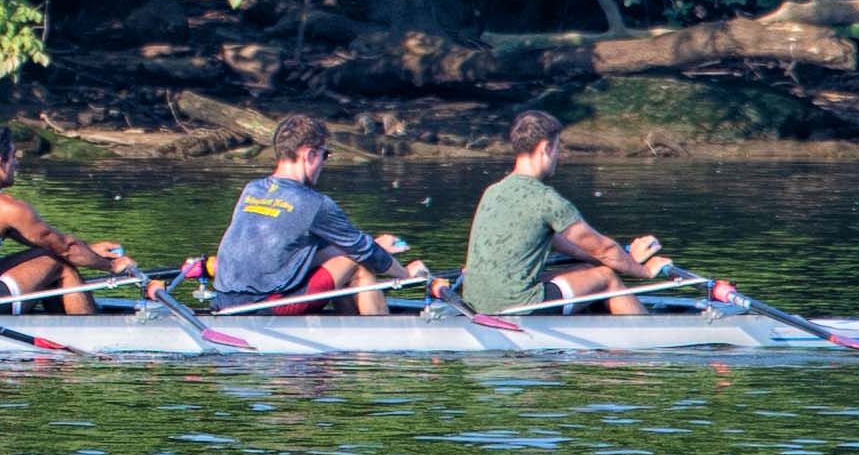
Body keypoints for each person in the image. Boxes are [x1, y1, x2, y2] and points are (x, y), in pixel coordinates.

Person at [458, 110, 671, 315]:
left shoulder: (493, 192)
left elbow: (567, 244)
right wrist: (644, 270)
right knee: (606, 277)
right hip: (514, 305)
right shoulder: (546, 200)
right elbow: (603, 248)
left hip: (476, 300)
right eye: (557, 148)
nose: (558, 156)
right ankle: (651, 334)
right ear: (546, 148)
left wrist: (626, 259)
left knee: (587, 270)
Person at [201, 115, 420, 313]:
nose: (324, 163)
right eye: (325, 155)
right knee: (357, 264)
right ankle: (376, 337)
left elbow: (311, 250)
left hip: (223, 300)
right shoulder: (314, 203)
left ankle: (349, 328)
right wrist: (406, 275)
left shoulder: (253, 189)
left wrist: (374, 246)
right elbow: (362, 251)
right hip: (265, 305)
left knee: (341, 254)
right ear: (310, 154)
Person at [0, 121, 134, 313]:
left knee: (50, 255)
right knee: (60, 262)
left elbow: (46, 244)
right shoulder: (4, 206)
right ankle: (87, 332)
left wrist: (90, 251)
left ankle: (61, 324)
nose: (17, 163)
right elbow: (65, 248)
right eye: (13, 156)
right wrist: (112, 266)